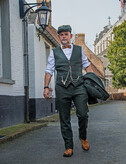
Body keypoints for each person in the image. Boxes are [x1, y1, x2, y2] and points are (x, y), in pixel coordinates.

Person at [43, 25, 93, 157]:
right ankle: (68, 146)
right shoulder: (54, 52)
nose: (64, 36)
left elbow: (87, 66)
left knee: (83, 114)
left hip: (79, 87)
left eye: (66, 34)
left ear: (70, 36)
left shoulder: (79, 50)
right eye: (61, 35)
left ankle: (83, 137)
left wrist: (91, 82)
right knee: (64, 118)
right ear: (59, 37)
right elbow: (48, 71)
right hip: (62, 88)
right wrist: (46, 87)